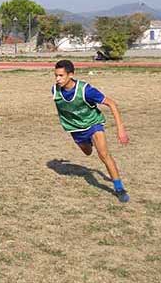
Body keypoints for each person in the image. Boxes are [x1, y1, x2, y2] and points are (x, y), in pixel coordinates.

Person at [52, 59, 130, 203]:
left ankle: (119, 188)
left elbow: (111, 103)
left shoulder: (86, 90)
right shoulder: (55, 90)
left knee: (104, 154)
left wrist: (121, 129)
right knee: (88, 152)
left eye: (61, 75)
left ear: (71, 75)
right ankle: (90, 142)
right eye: (56, 75)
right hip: (76, 129)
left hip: (93, 124)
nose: (57, 79)